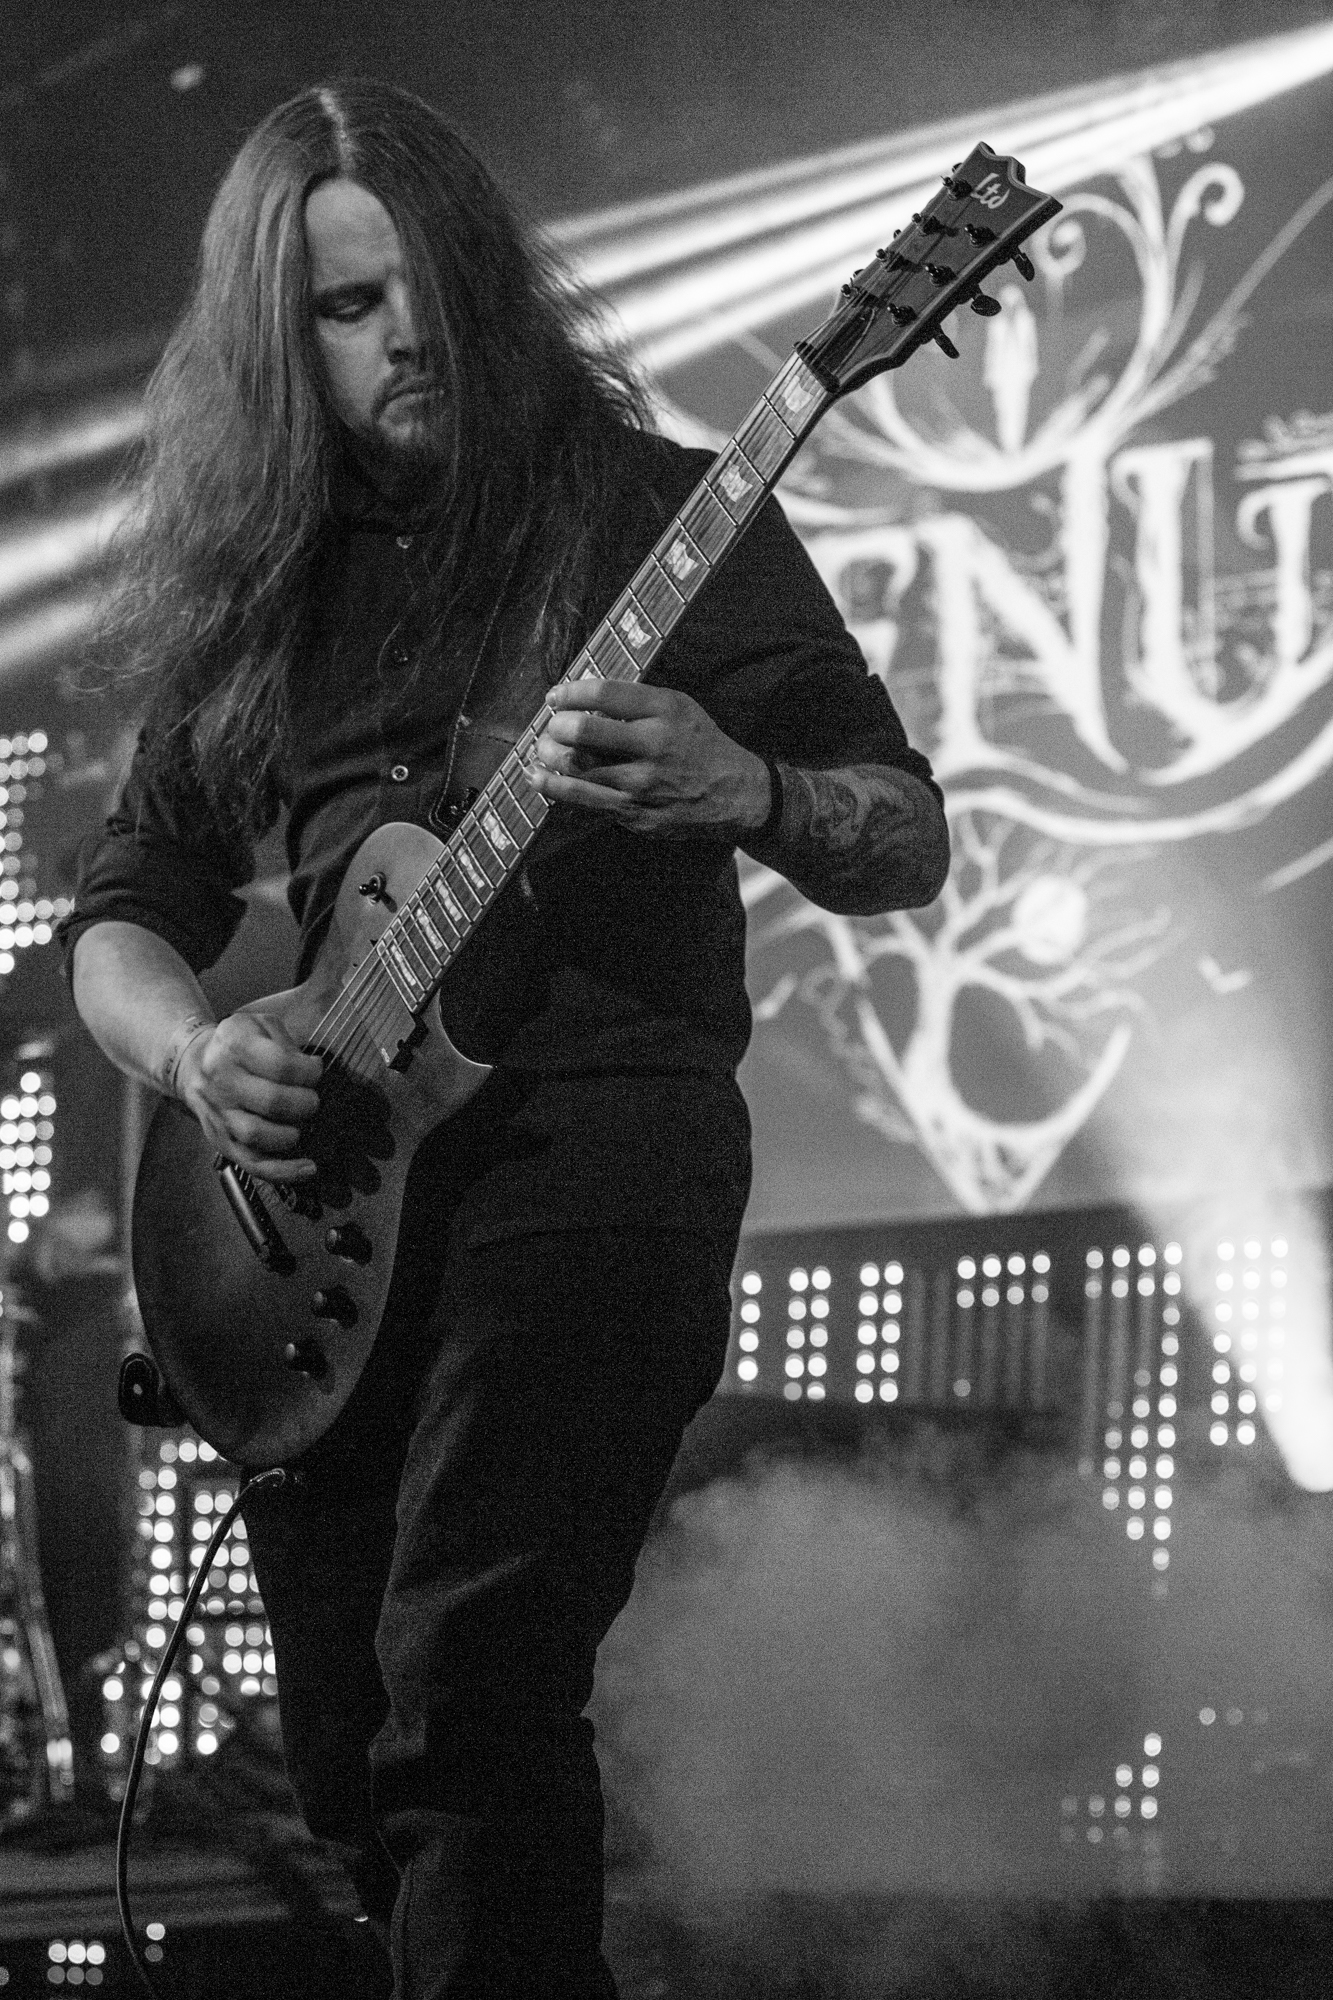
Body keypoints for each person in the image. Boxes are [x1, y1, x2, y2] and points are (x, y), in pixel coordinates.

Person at [61, 79, 950, 2000]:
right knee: (350, 1760)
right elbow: (125, 914)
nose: (403, 336)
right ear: (276, 343)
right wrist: (197, 1058)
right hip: (339, 1208)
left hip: (596, 1155)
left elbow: (903, 831)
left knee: (468, 1684)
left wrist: (748, 788)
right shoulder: (262, 587)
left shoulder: (653, 517)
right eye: (343, 306)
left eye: (424, 286)